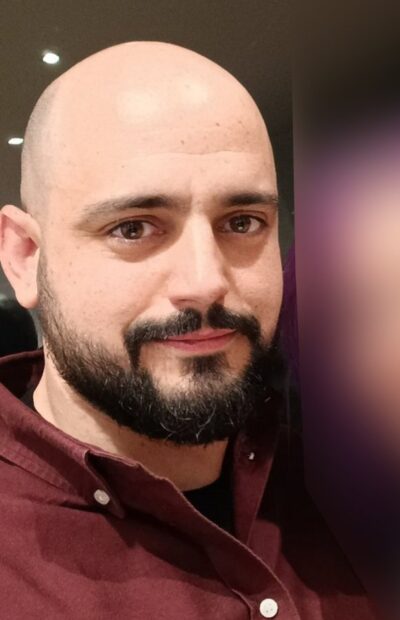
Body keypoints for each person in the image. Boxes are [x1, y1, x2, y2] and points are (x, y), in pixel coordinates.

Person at [0, 42, 375, 619]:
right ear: (26, 257)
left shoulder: (351, 489)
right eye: (133, 228)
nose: (206, 282)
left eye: (243, 222)